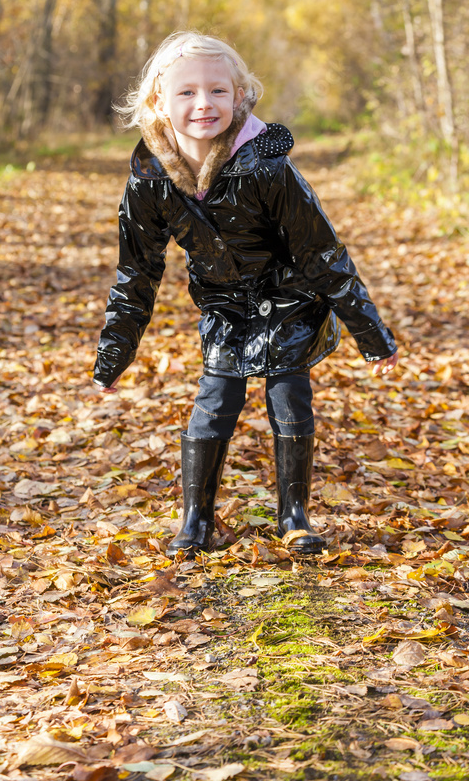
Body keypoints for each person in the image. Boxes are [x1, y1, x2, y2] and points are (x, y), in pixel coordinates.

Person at [93, 30, 398, 557]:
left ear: (239, 97)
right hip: (226, 306)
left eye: (217, 91)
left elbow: (324, 253)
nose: (203, 104)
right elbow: (137, 273)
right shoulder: (149, 179)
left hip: (292, 300)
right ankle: (195, 520)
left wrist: (371, 335)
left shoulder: (268, 167)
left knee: (288, 398)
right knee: (215, 402)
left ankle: (294, 516)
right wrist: (113, 356)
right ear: (158, 103)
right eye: (186, 92)